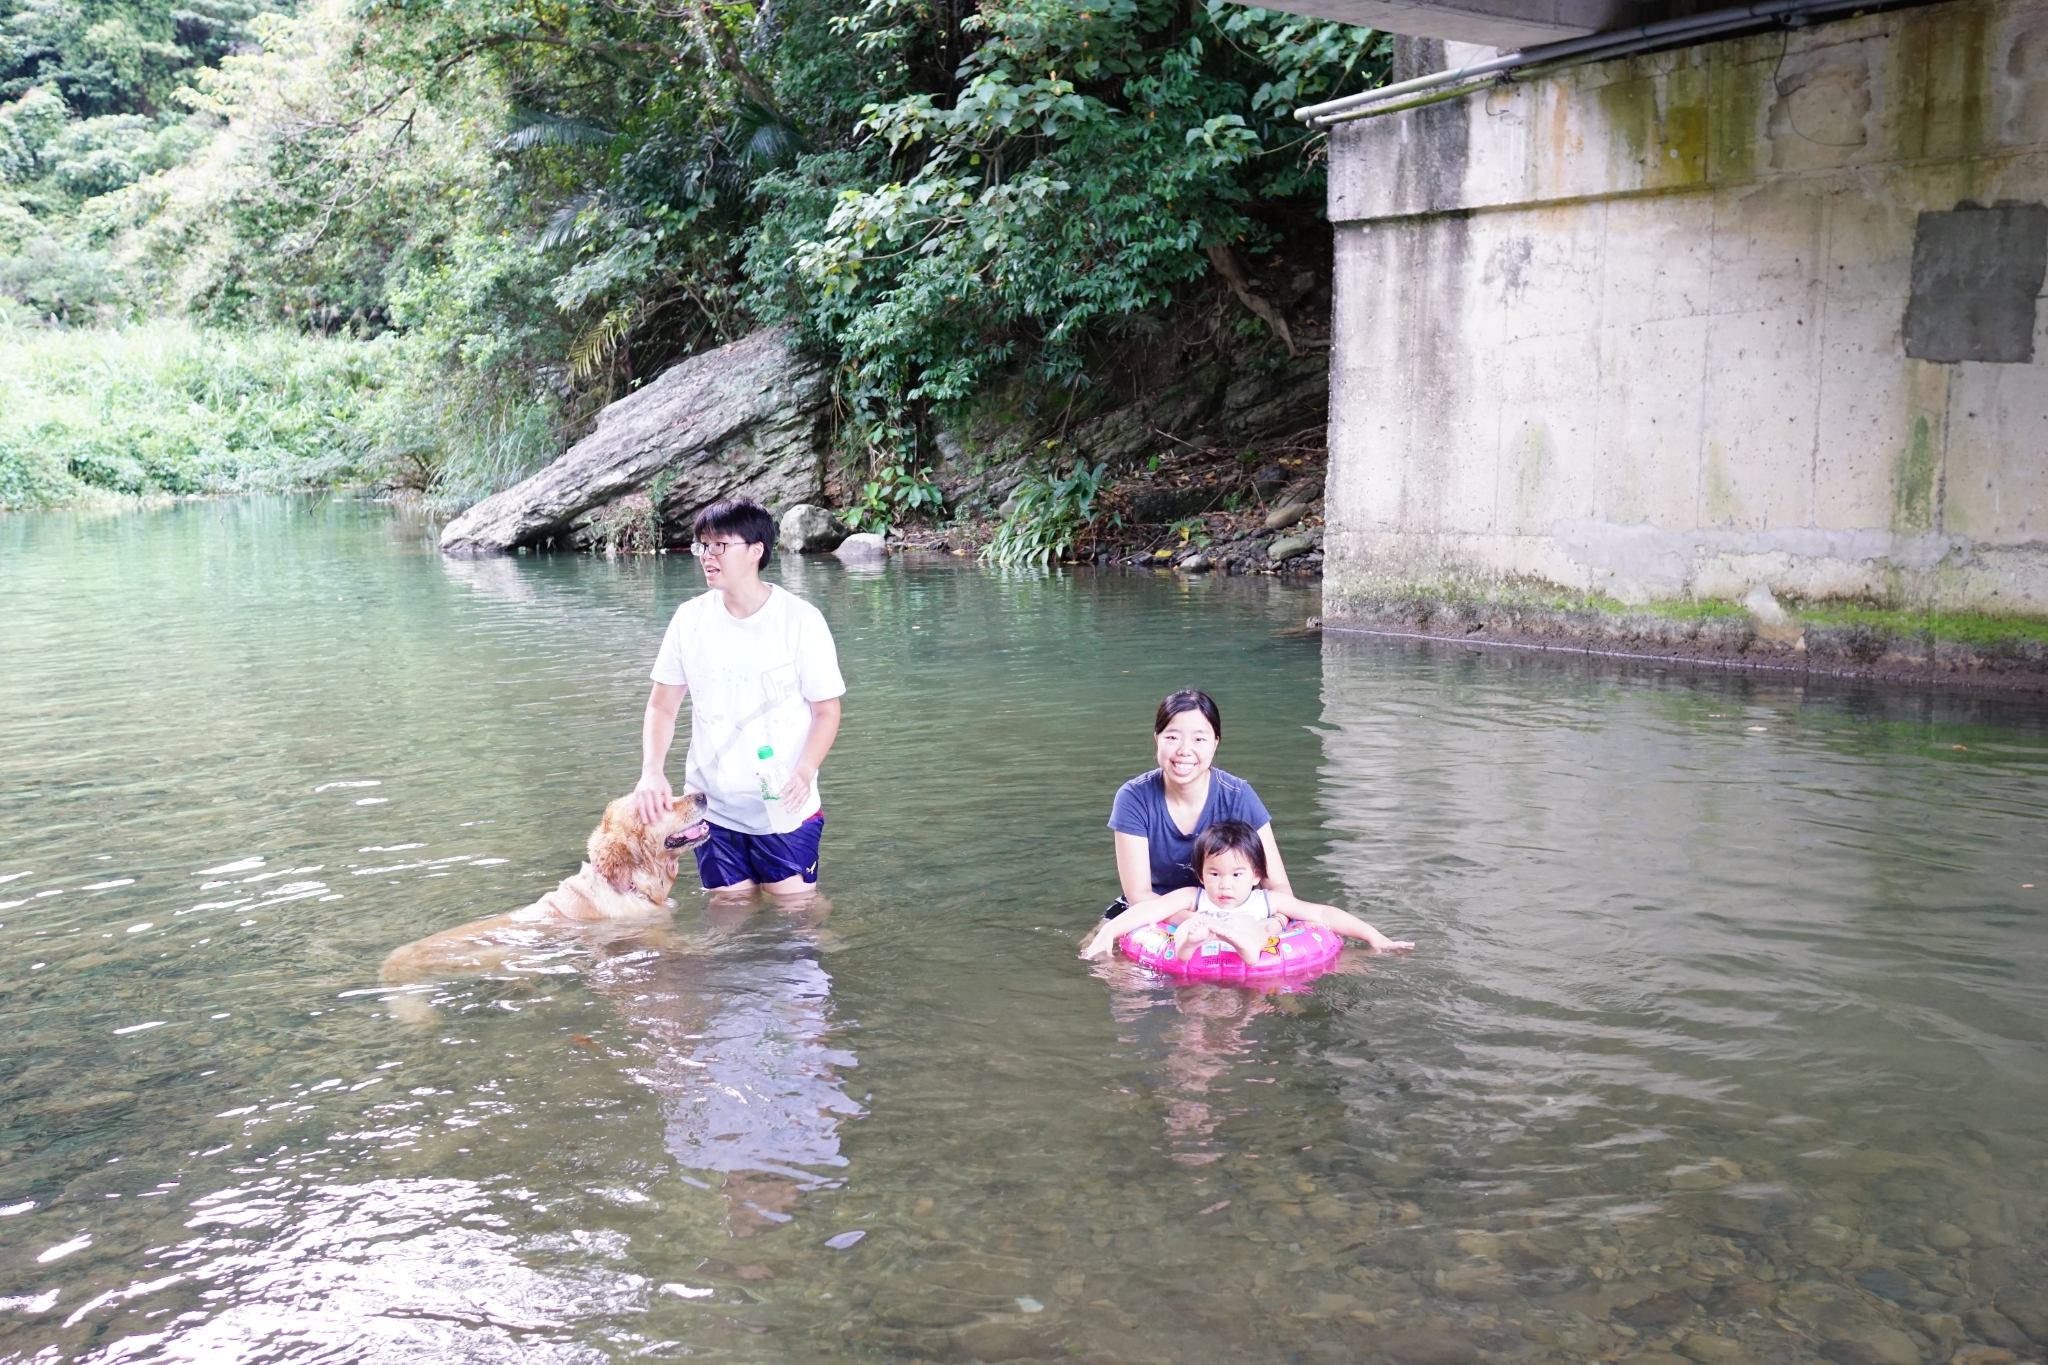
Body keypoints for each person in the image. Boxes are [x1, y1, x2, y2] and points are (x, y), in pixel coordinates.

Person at [632, 498, 845, 896]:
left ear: (755, 550)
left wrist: (804, 771)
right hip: (712, 806)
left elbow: (827, 711)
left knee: (796, 913)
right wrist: (652, 771)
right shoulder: (689, 619)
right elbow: (661, 706)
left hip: (784, 807)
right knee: (727, 916)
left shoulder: (800, 620)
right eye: (702, 545)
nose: (707, 555)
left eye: (719, 545)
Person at [1080, 820, 1413, 962]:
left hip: (1249, 948)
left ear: (1255, 875)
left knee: (1248, 925)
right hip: (1197, 955)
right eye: (1214, 874)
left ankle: (1245, 943)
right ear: (1201, 874)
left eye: (1236, 874)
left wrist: (1374, 936)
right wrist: (1108, 932)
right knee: (1189, 927)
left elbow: (1323, 913)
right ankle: (1188, 945)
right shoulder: (1193, 896)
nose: (1224, 884)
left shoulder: (1266, 901)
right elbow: (1147, 911)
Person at [1105, 689, 1288, 919]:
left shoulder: (1238, 796)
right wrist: (1203, 924)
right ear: (1157, 739)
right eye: (1172, 737)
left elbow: (1278, 886)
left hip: (1231, 910)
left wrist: (1277, 922)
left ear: (1215, 743)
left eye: (1199, 739)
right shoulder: (1134, 797)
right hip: (1154, 911)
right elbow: (1138, 895)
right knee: (1097, 942)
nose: (1184, 751)